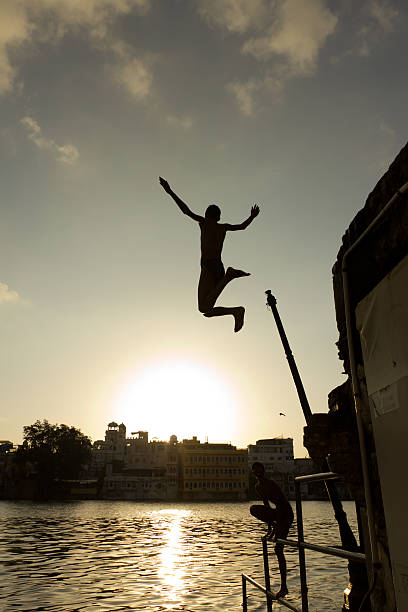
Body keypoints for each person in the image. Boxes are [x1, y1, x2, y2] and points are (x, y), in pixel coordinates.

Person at [159, 177, 259, 332]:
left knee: (204, 308)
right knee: (206, 309)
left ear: (206, 215)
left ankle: (229, 278)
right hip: (218, 267)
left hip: (209, 266)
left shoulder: (204, 223)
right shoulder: (223, 227)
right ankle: (236, 309)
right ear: (218, 217)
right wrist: (252, 216)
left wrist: (170, 191)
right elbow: (242, 227)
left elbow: (186, 211)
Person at [250, 461, 294, 599]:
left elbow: (281, 503)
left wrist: (278, 526)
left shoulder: (271, 484)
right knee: (253, 509)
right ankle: (274, 527)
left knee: (278, 549)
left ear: (263, 471)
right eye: (255, 471)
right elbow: (266, 506)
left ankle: (284, 587)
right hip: (276, 514)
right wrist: (271, 527)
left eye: (260, 470)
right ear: (254, 473)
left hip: (285, 514)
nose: (258, 473)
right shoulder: (258, 487)